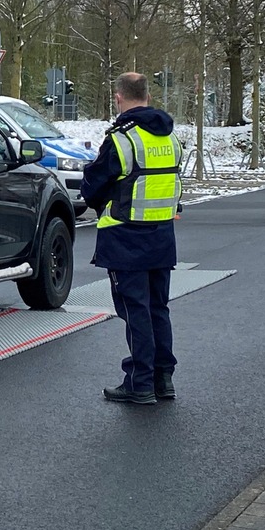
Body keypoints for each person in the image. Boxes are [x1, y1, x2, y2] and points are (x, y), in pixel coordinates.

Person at [81, 71, 183, 406]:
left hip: (125, 237)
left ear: (119, 98)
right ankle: (162, 379)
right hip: (162, 236)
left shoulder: (122, 139)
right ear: (148, 97)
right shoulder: (170, 139)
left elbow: (93, 187)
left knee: (135, 311)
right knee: (158, 308)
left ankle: (139, 383)